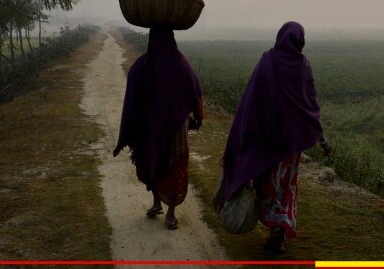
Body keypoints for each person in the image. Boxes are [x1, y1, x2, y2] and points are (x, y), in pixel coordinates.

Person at [219, 21, 331, 253]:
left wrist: (244, 133)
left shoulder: (267, 60)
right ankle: (278, 233)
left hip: (267, 143)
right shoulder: (303, 66)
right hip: (291, 146)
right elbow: (309, 106)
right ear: (300, 40)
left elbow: (252, 99)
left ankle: (275, 232)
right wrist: (321, 138)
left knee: (267, 184)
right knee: (286, 186)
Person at [113, 28, 204, 230]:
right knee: (171, 167)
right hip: (170, 132)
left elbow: (131, 102)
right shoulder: (180, 65)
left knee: (154, 163)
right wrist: (199, 118)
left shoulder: (142, 65)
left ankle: (162, 206)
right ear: (172, 40)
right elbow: (197, 96)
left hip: (155, 130)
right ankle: (167, 211)